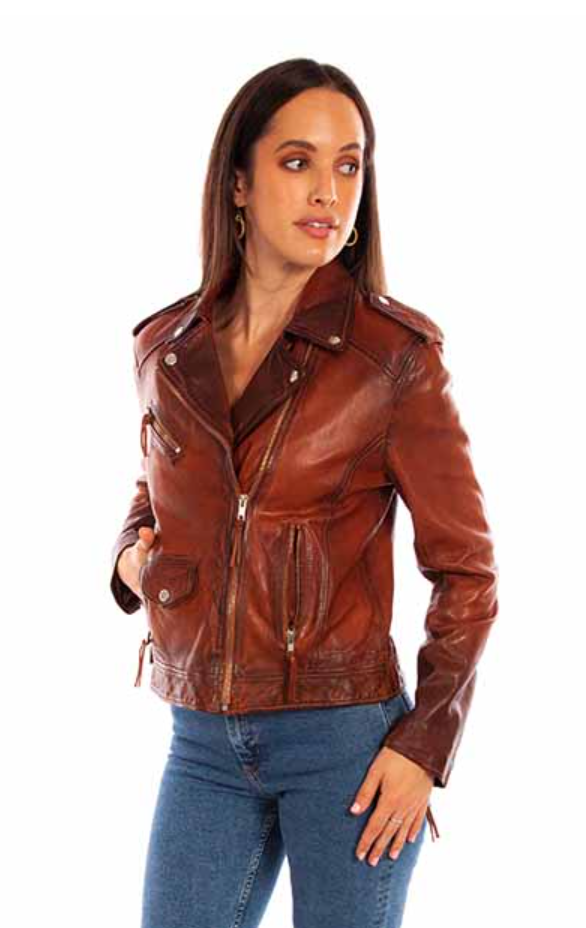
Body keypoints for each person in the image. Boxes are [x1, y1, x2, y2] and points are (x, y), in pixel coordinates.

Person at [110, 58, 499, 928]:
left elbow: (467, 572)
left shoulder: (393, 359)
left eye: (349, 165)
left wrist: (424, 746)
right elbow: (158, 491)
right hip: (201, 739)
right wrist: (132, 558)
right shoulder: (168, 348)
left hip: (347, 743)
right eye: (297, 161)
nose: (329, 190)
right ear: (238, 183)